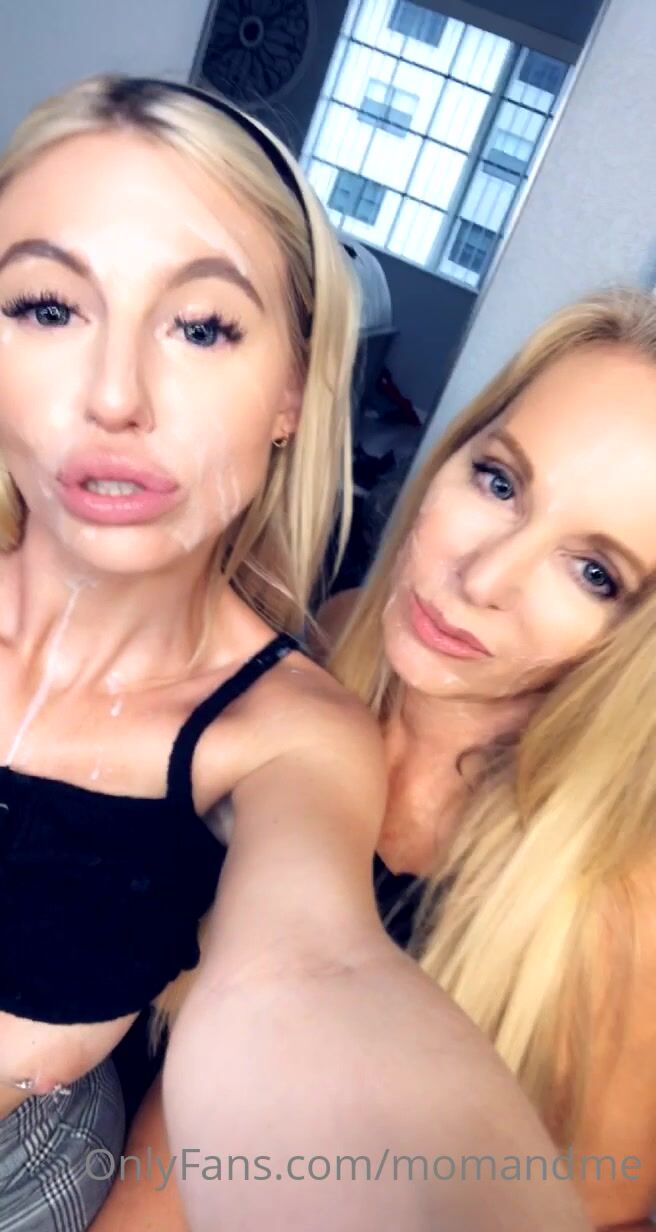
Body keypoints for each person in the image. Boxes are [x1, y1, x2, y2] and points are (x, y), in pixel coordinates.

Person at [19, 79, 584, 1232]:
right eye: (46, 306)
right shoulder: (347, 622)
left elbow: (310, 969)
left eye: (202, 326)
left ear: (290, 391)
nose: (113, 395)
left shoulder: (292, 733)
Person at [323, 288, 656, 1229]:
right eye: (501, 483)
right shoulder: (320, 645)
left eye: (594, 574)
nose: (482, 579)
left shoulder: (617, 912)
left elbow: (601, 1208)